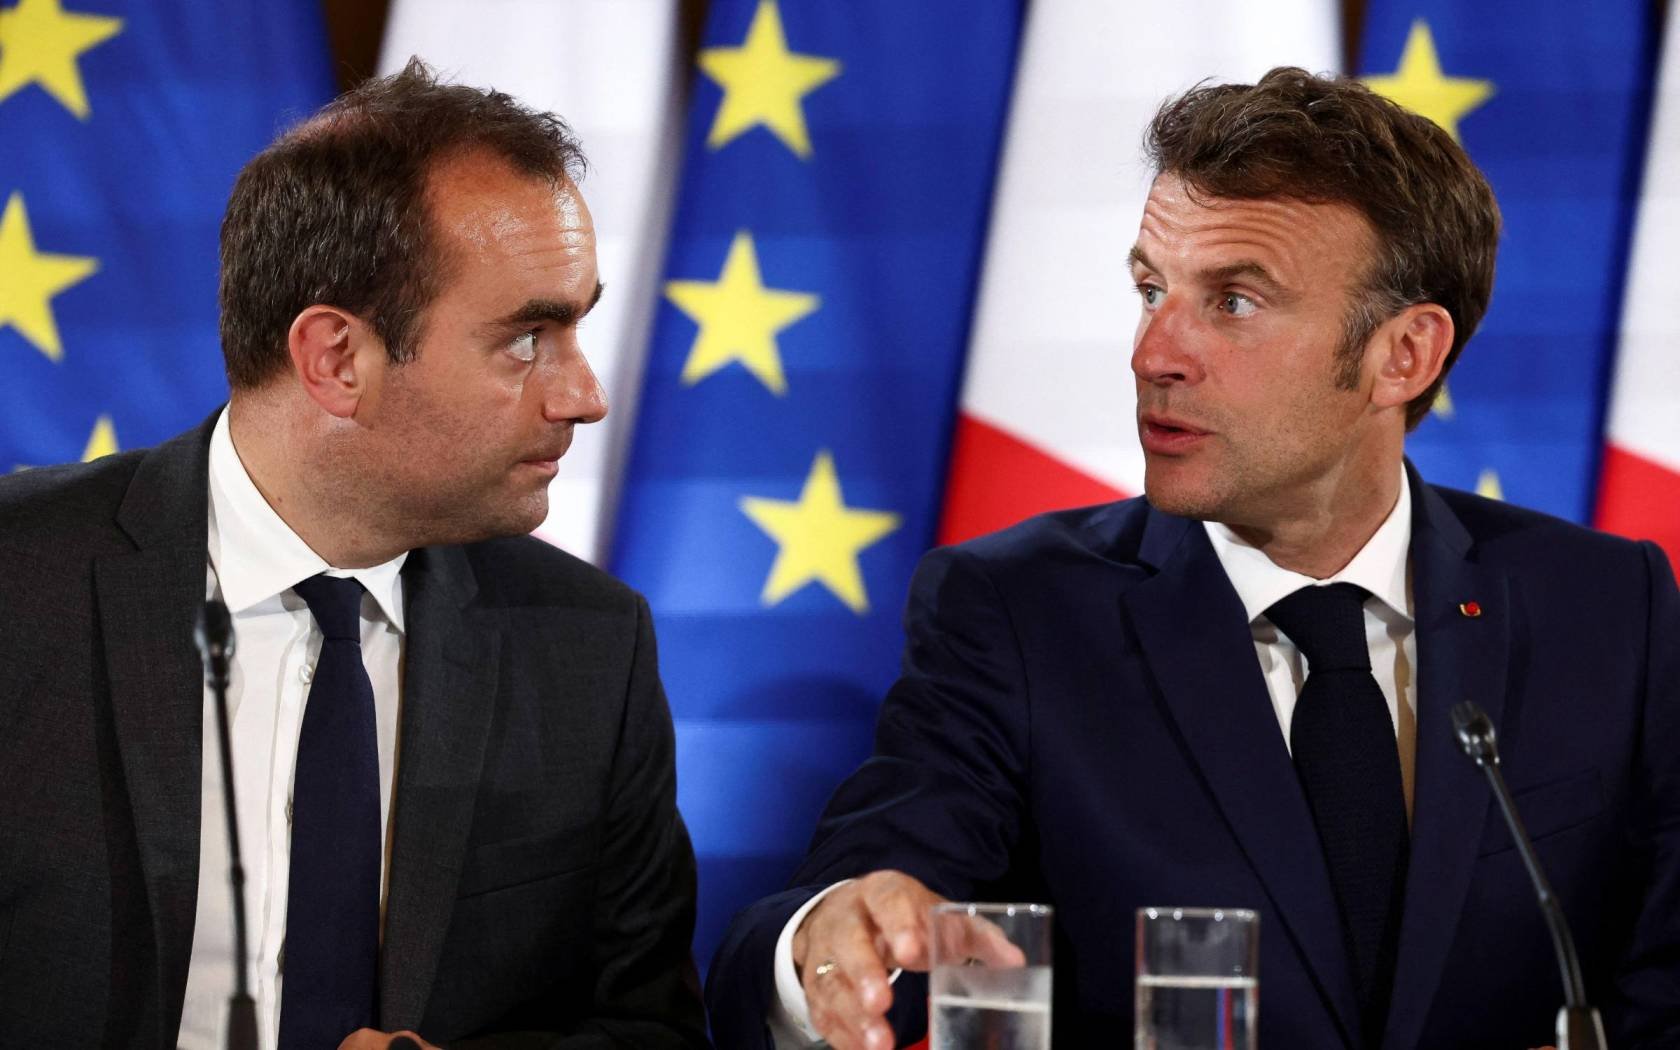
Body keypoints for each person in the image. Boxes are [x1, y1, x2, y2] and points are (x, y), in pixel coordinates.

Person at [705, 67, 1680, 1050]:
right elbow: (869, 908)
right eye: (1150, 289)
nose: (1153, 352)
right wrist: (823, 943)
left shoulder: (1608, 608)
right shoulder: (1018, 612)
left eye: (1236, 302)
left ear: (1405, 355)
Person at [0, 61, 708, 1049]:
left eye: (578, 324)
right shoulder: (18, 583)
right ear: (336, 359)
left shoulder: (590, 645)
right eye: (527, 339)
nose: (584, 394)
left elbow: (651, 1029)